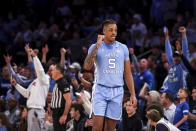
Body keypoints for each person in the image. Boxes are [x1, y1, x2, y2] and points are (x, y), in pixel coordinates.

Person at [83, 19, 136, 131]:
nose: (114, 33)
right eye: (110, 30)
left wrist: (133, 94)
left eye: (115, 30)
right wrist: (97, 46)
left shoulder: (123, 48)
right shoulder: (94, 47)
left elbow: (127, 74)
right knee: (97, 126)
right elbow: (87, 67)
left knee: (110, 128)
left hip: (117, 91)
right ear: (104, 31)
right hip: (100, 90)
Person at [11, 49, 50, 131]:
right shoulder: (35, 81)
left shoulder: (45, 79)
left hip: (37, 109)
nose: (35, 70)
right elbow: (26, 93)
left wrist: (34, 57)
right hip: (32, 109)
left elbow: (40, 70)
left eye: (36, 68)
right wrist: (16, 85)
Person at [161, 27, 189, 96]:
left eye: (177, 56)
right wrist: (167, 37)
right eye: (174, 56)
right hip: (170, 97)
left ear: (181, 57)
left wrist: (183, 34)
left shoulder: (183, 66)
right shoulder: (172, 65)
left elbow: (185, 50)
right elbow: (168, 51)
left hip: (179, 97)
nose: (175, 58)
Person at [50, 64, 72, 131]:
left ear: (58, 71)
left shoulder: (62, 82)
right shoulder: (58, 82)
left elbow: (68, 100)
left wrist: (64, 115)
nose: (51, 72)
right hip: (56, 112)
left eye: (53, 70)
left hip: (60, 112)